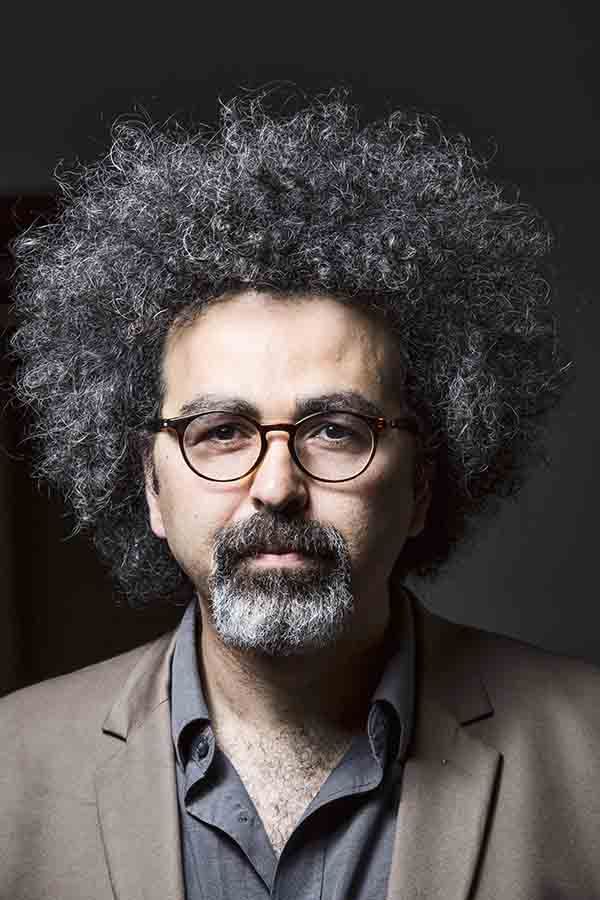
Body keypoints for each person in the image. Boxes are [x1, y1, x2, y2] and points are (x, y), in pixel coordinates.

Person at [1, 91, 599, 900]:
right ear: (151, 485)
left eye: (336, 431)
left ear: (422, 485)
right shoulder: (11, 768)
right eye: (221, 431)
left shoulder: (591, 752)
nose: (277, 486)